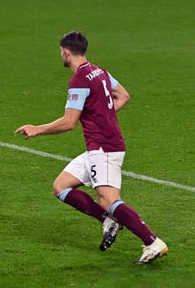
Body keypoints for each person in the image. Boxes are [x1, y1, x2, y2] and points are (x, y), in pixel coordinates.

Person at [14, 31, 168, 264]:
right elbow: (123, 95)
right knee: (61, 187)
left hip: (104, 148)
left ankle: (152, 242)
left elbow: (68, 122)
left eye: (60, 52)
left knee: (108, 199)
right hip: (100, 145)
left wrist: (38, 128)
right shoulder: (100, 72)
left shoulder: (79, 81)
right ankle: (108, 221)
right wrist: (101, 115)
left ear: (66, 51)